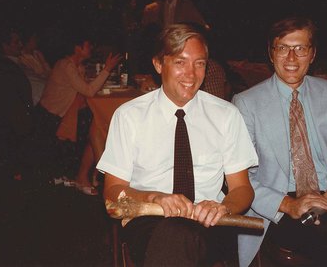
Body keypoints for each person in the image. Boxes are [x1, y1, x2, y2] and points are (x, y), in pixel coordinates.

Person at [97, 24, 258, 266]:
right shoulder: (129, 115)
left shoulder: (226, 115)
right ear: (159, 64)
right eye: (180, 62)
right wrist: (154, 197)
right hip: (150, 220)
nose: (191, 74)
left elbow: (242, 189)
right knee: (175, 235)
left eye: (200, 63)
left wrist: (223, 207)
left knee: (185, 239)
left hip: (210, 222)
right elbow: (112, 190)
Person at [232, 17, 327, 266]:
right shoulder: (246, 103)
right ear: (271, 54)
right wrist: (289, 204)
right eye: (283, 48)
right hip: (278, 205)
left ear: (313, 54)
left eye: (300, 48)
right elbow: (242, 180)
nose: (291, 58)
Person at [37, 33, 121, 193]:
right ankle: (90, 175)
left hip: (66, 112)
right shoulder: (66, 65)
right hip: (51, 116)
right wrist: (107, 69)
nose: (91, 48)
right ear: (77, 48)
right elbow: (89, 91)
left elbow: (85, 88)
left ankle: (92, 174)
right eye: (88, 45)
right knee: (95, 127)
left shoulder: (77, 65)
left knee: (96, 125)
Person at [0, 27, 34, 183]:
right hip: (12, 117)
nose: (21, 45)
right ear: (5, 46)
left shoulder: (14, 63)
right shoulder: (6, 67)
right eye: (16, 42)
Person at [19, 31, 51, 105]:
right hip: (37, 85)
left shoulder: (37, 53)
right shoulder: (23, 58)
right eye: (34, 39)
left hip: (46, 80)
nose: (37, 41)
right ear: (27, 42)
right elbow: (38, 73)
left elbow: (47, 69)